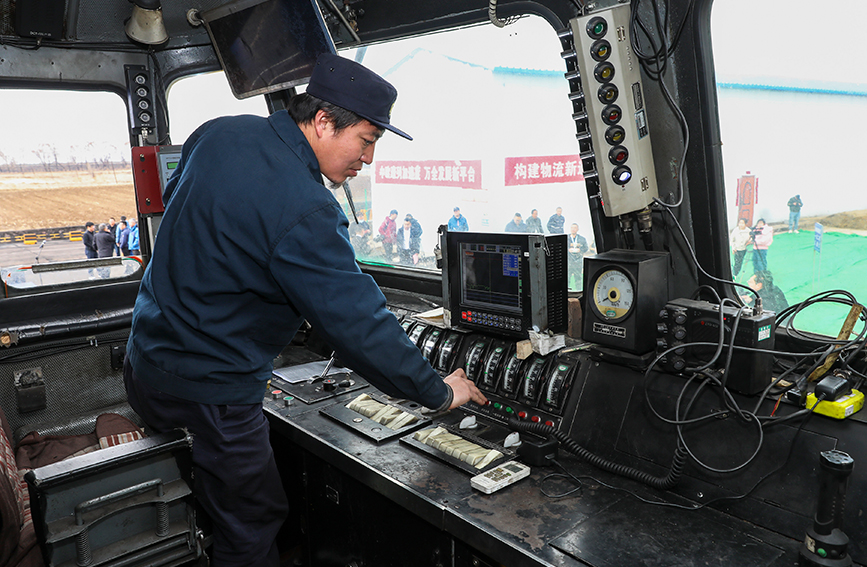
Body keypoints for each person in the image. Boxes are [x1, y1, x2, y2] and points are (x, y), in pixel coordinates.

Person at [123, 52, 486, 567]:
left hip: (144, 366)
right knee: (254, 522)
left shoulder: (217, 133)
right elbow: (359, 323)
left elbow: (190, 219)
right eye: (366, 140)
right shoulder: (306, 206)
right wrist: (435, 392)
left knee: (227, 501)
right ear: (322, 122)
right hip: (212, 392)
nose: (368, 159)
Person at [567, 223, 589, 290]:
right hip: (569, 261)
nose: (573, 229)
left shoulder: (582, 239)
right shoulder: (566, 238)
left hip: (578, 262)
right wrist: (568, 249)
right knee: (567, 278)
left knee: (578, 278)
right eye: (572, 228)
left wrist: (580, 250)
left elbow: (586, 248)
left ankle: (578, 292)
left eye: (575, 228)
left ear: (577, 229)